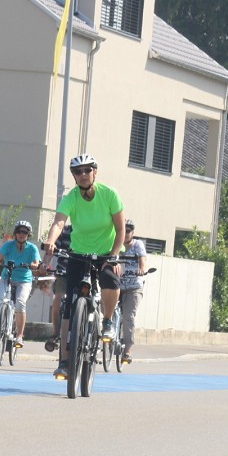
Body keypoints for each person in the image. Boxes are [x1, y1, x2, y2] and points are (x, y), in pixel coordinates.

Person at [42, 154, 125, 380]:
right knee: (70, 304)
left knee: (110, 279)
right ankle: (65, 363)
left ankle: (107, 322)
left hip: (106, 252)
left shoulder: (110, 194)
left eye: (87, 170)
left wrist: (115, 255)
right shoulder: (71, 198)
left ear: (95, 172)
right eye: (78, 172)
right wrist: (51, 240)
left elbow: (120, 230)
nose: (83, 175)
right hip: (79, 253)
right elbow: (59, 221)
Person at [0, 220, 41, 347]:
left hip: (24, 281)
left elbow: (36, 262)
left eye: (25, 232)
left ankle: (20, 336)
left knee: (20, 304)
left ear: (28, 235)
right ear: (15, 233)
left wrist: (35, 265)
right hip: (7, 277)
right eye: (19, 231)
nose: (21, 234)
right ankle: (0, 325)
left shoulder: (32, 248)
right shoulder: (9, 245)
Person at [117, 219, 148, 364]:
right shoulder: (116, 243)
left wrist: (142, 269)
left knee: (128, 316)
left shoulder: (138, 245)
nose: (126, 234)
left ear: (132, 233)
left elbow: (143, 260)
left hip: (134, 286)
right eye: (124, 230)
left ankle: (128, 350)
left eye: (128, 231)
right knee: (107, 311)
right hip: (117, 286)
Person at [43, 223, 72, 352]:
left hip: (83, 273)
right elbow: (51, 250)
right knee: (57, 301)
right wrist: (45, 263)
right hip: (63, 273)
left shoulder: (90, 229)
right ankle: (55, 334)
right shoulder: (64, 231)